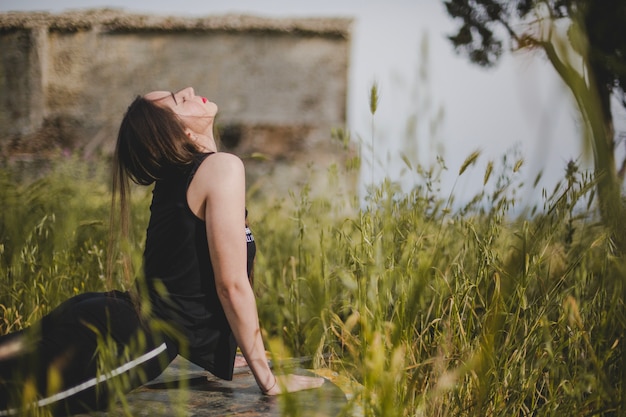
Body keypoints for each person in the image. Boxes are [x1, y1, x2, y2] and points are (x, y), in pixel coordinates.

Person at [0, 87, 324, 415]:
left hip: (111, 312)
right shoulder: (221, 168)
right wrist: (268, 380)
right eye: (177, 100)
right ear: (179, 131)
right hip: (131, 335)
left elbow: (187, 277)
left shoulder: (183, 176)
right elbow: (230, 286)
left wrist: (227, 353)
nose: (188, 90)